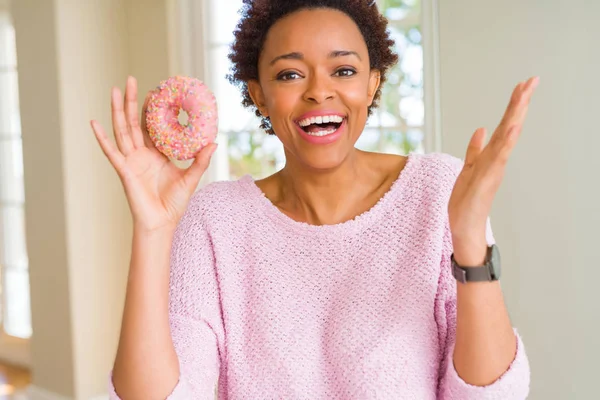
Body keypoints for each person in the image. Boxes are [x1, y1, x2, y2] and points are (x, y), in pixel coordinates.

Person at [90, 1, 537, 399]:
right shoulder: (217, 220)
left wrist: (470, 234)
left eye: (343, 71)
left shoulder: (437, 191)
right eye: (290, 74)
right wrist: (153, 231)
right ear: (258, 94)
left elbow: (492, 395)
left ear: (371, 84)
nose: (319, 92)